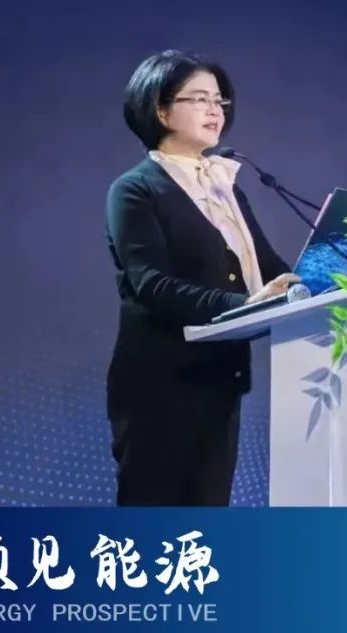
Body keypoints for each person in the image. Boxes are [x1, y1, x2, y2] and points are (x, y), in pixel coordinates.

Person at [105, 49, 299, 506]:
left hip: (220, 380)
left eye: (219, 100)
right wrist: (245, 306)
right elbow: (152, 285)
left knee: (205, 527)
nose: (215, 110)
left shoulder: (224, 186)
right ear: (161, 110)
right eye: (199, 99)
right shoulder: (134, 190)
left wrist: (324, 281)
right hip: (159, 386)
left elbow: (271, 269)